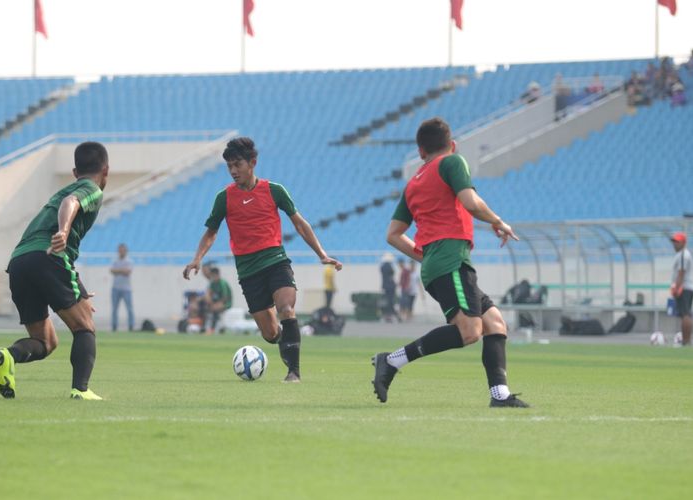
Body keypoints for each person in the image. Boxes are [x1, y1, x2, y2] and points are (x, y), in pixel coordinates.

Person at [372, 117, 530, 408]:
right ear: (452, 144)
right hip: (451, 262)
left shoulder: (412, 184)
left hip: (440, 263)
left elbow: (393, 235)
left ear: (420, 151)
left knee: (495, 323)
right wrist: (497, 221)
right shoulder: (452, 163)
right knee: (471, 332)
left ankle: (500, 395)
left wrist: (427, 256)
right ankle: (392, 360)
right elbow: (470, 202)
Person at [183, 137, 342, 382]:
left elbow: (300, 224)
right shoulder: (224, 198)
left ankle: (294, 372)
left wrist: (321, 254)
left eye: (238, 165)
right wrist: (197, 259)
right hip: (248, 271)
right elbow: (211, 231)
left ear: (253, 163)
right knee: (270, 334)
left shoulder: (274, 190)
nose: (233, 171)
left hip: (276, 261)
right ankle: (286, 340)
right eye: (229, 167)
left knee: (286, 309)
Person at [0, 141, 109, 400]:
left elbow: (64, 204)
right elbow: (72, 202)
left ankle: (8, 356)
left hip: (20, 261)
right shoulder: (91, 188)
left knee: (46, 342)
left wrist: (82, 291)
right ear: (106, 171)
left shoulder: (58, 194)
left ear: (74, 171)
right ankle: (81, 390)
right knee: (84, 326)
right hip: (49, 256)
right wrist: (64, 231)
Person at [670, 232, 692, 346]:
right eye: (674, 241)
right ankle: (686, 340)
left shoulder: (684, 255)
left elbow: (681, 272)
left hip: (684, 288)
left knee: (685, 314)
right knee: (684, 314)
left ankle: (686, 341)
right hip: (684, 287)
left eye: (677, 242)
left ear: (683, 243)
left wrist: (676, 288)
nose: (674, 244)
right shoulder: (681, 254)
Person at [110, 242, 134, 331]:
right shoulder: (115, 261)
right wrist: (122, 271)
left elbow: (127, 272)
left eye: (123, 250)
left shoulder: (129, 261)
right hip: (115, 288)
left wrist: (118, 271)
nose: (121, 252)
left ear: (126, 251)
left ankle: (131, 326)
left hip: (126, 289)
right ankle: (114, 326)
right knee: (114, 309)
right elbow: (112, 270)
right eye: (120, 250)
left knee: (129, 309)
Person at [203, 266, 232, 334]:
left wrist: (216, 305)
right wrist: (208, 300)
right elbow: (209, 293)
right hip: (216, 303)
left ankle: (213, 329)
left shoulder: (222, 283)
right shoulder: (212, 283)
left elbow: (225, 297)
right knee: (206, 306)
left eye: (214, 276)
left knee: (215, 309)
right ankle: (204, 327)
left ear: (218, 275)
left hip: (226, 303)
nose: (213, 277)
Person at [380, 253, 400, 322]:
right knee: (391, 301)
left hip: (385, 286)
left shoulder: (382, 267)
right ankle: (391, 314)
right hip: (390, 286)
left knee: (388, 300)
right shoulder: (389, 267)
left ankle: (388, 314)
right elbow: (391, 276)